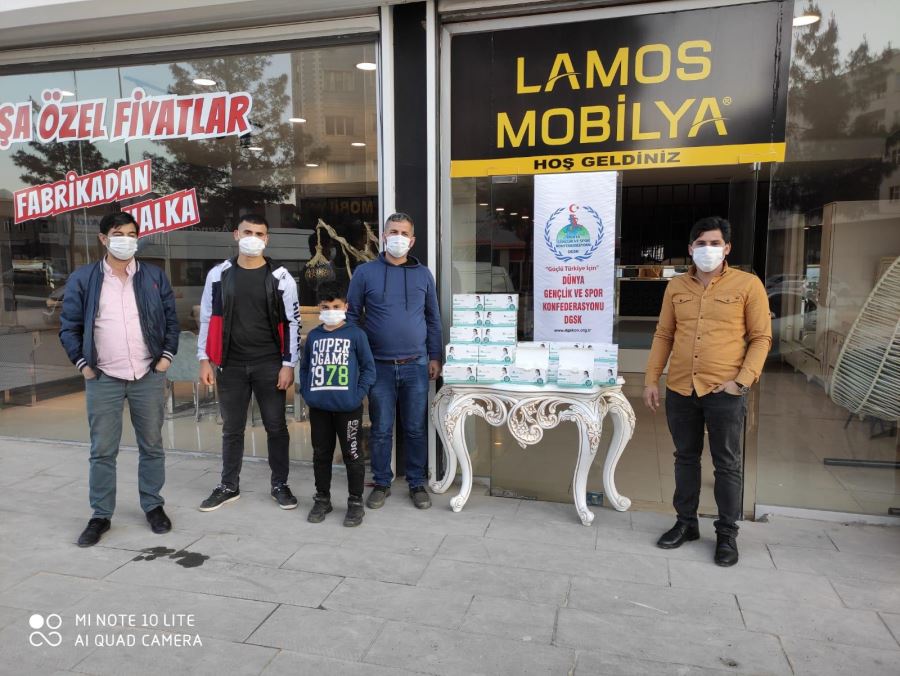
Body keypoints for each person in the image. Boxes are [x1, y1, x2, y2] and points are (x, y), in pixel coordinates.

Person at [643, 217, 771, 567]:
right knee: (685, 458)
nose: (708, 250)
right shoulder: (677, 287)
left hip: (725, 390)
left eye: (715, 243)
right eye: (701, 244)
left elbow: (761, 338)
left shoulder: (748, 285)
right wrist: (652, 378)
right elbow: (664, 335)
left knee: (726, 464)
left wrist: (741, 382)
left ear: (727, 248)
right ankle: (686, 524)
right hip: (681, 387)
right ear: (690, 249)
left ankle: (727, 534)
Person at [59, 212, 179, 547]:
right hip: (102, 377)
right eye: (117, 233)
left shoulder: (154, 276)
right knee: (102, 451)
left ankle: (153, 506)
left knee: (152, 446)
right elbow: (69, 326)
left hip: (147, 374)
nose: (125, 239)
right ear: (103, 239)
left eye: (131, 233)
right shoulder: (84, 279)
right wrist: (83, 365)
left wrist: (165, 359)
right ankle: (100, 515)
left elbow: (171, 319)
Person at [197, 214, 301, 512]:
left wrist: (288, 364)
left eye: (259, 233)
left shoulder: (281, 276)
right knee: (232, 428)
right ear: (236, 235)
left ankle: (280, 484)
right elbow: (207, 318)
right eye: (247, 232)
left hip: (269, 364)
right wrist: (205, 359)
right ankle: (229, 485)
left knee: (276, 426)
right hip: (230, 364)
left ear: (267, 239)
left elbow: (292, 322)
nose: (253, 237)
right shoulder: (219, 274)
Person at [346, 212, 442, 510]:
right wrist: (358, 356)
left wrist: (436, 355)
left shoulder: (424, 274)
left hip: (416, 364)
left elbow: (433, 318)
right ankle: (382, 483)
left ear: (412, 241)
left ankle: (416, 483)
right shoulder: (364, 273)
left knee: (415, 428)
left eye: (403, 233)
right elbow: (351, 316)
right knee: (381, 428)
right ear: (383, 237)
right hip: (378, 367)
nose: (397, 237)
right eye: (392, 232)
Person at [299, 282, 376, 527]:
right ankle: (322, 498)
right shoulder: (314, 336)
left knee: (353, 455)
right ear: (319, 309)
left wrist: (357, 395)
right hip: (319, 408)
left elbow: (368, 369)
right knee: (321, 454)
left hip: (348, 408)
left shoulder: (356, 334)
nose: (331, 310)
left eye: (336, 306)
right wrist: (308, 394)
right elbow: (305, 368)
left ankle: (355, 502)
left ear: (345, 307)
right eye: (326, 307)